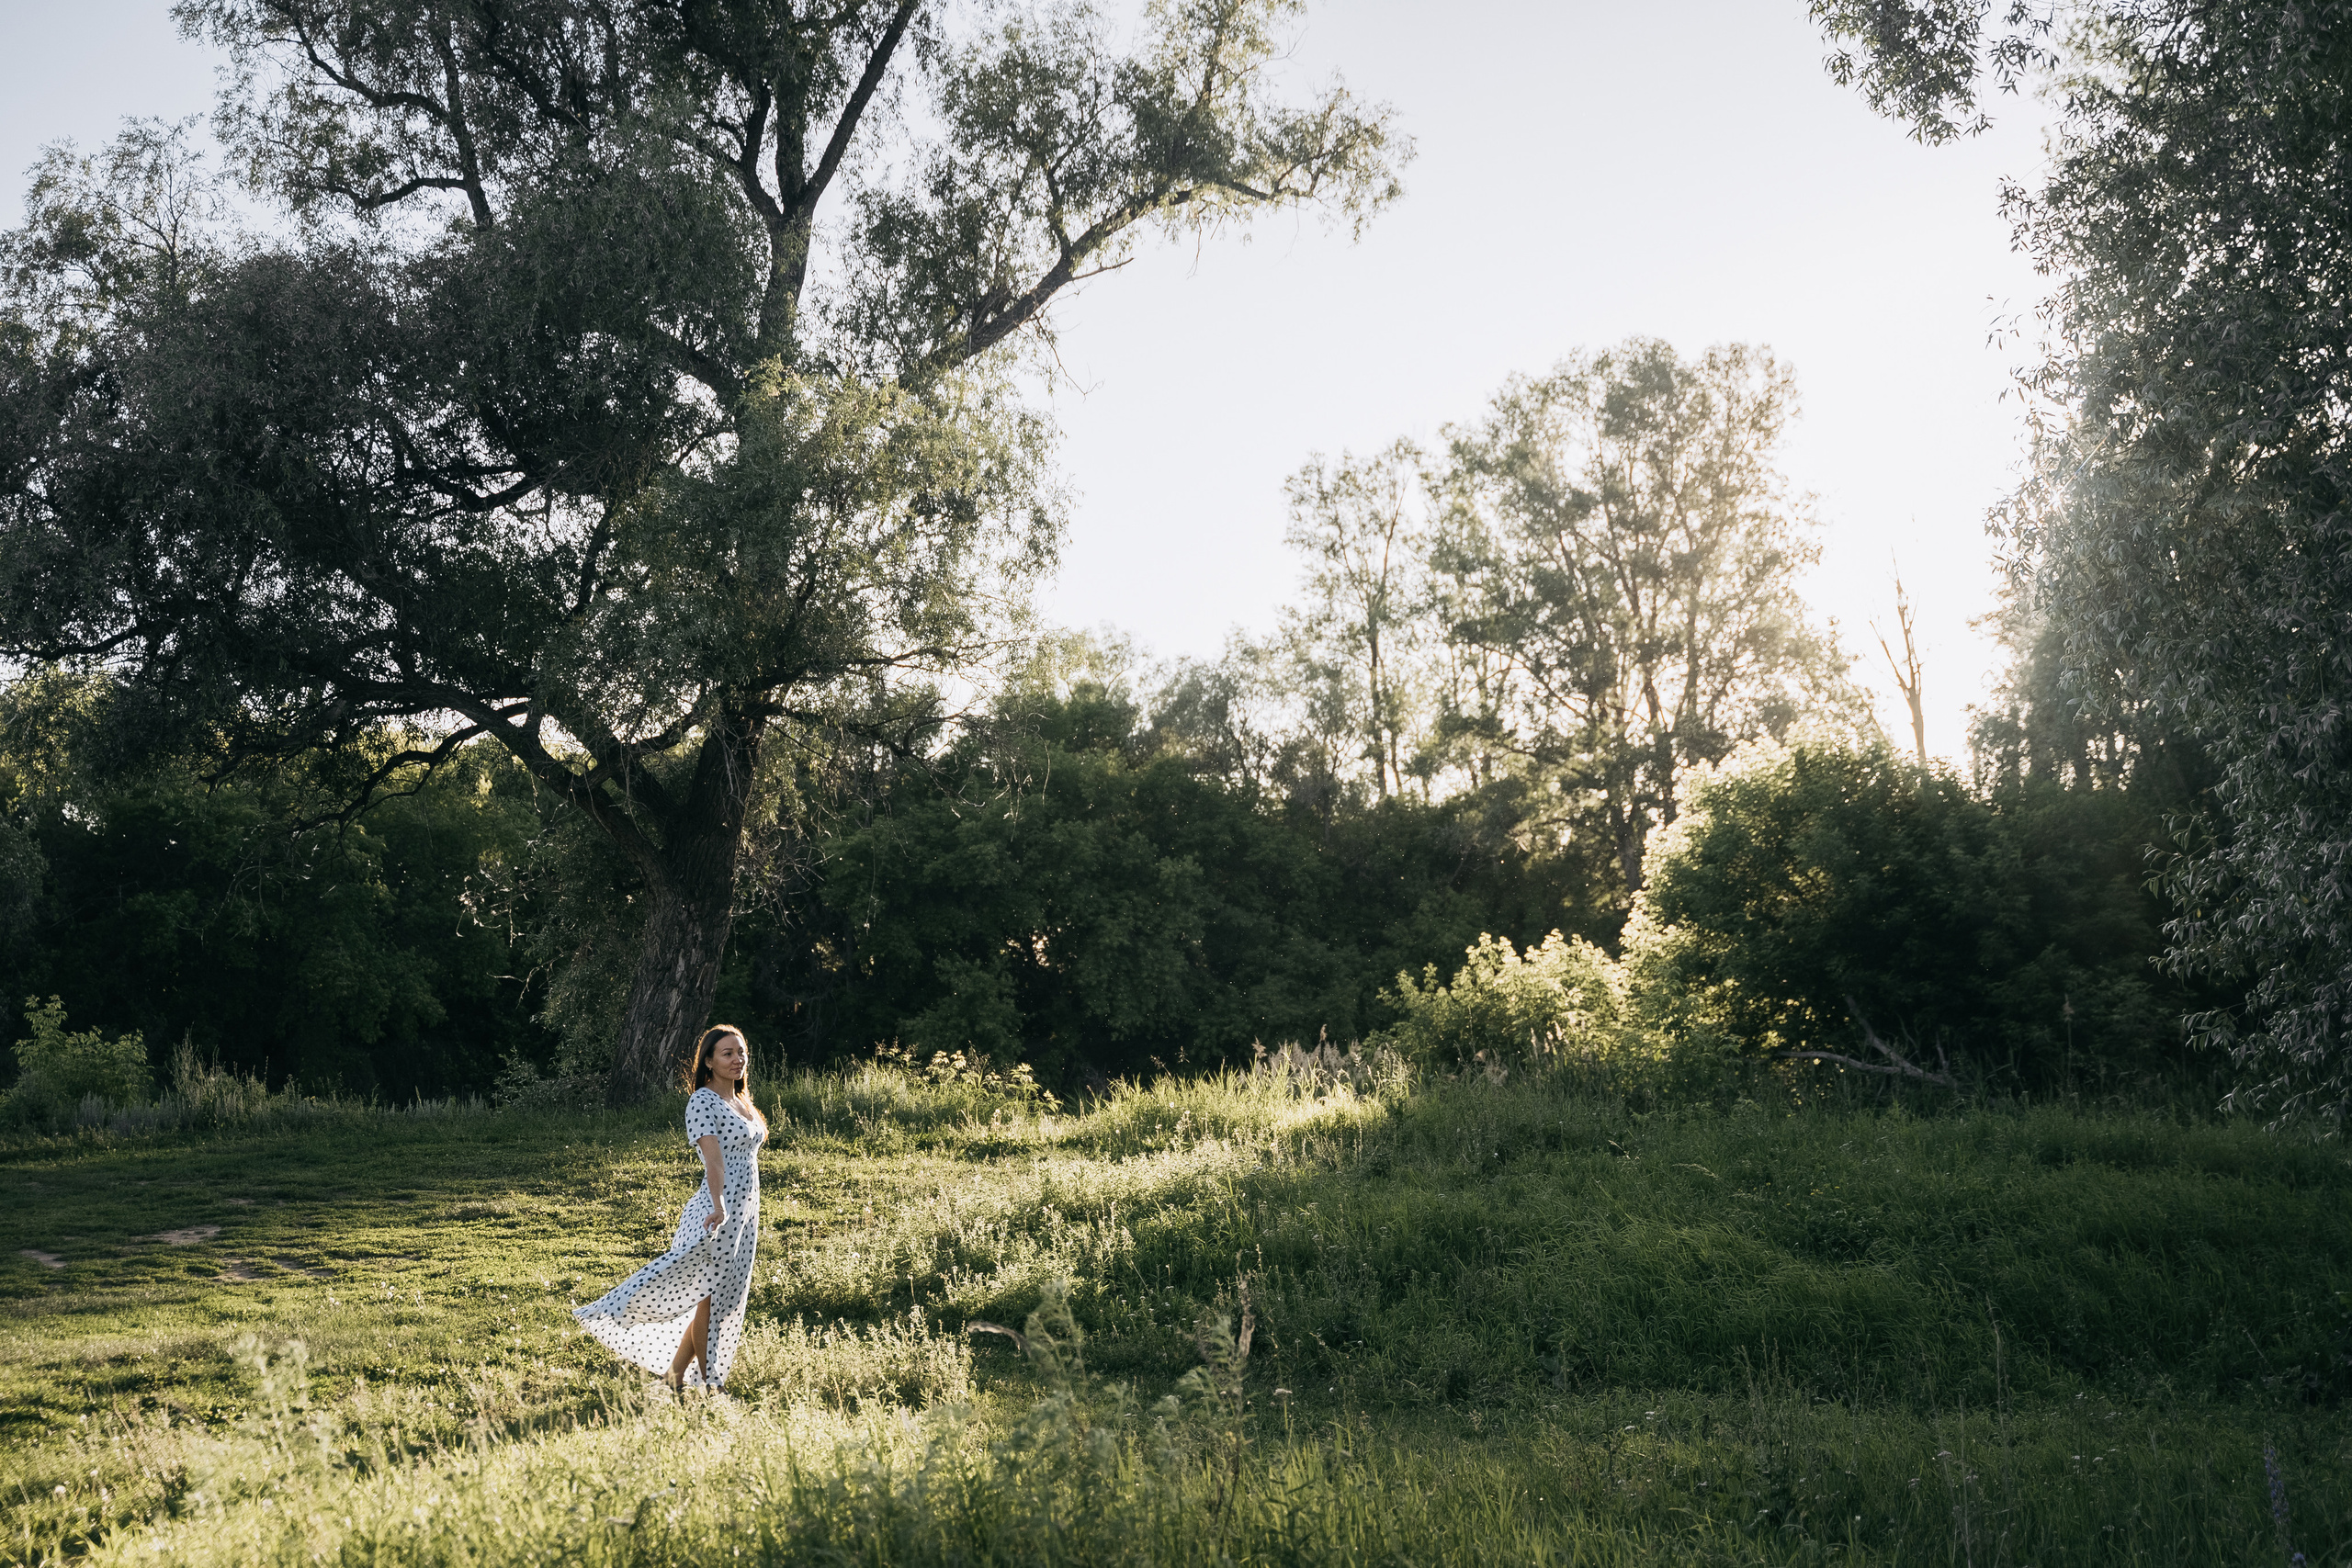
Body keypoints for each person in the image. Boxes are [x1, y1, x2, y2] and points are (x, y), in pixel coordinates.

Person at [572, 1024, 769, 1391]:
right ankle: (712, 1383)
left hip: (745, 1213)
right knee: (708, 1298)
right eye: (727, 1053)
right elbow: (714, 1163)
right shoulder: (702, 1101)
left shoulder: (741, 1101)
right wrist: (719, 1205)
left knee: (722, 1297)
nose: (737, 1059)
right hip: (717, 1212)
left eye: (741, 1052)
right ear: (708, 1061)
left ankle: (674, 1379)